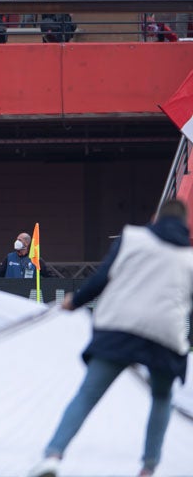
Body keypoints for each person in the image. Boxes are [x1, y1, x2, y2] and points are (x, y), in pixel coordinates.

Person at [29, 199, 193, 477]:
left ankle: (53, 455)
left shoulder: (132, 237)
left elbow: (101, 278)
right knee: (162, 397)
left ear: (155, 218)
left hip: (119, 325)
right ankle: (148, 468)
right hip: (165, 332)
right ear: (186, 224)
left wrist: (74, 302)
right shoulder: (190, 257)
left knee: (88, 393)